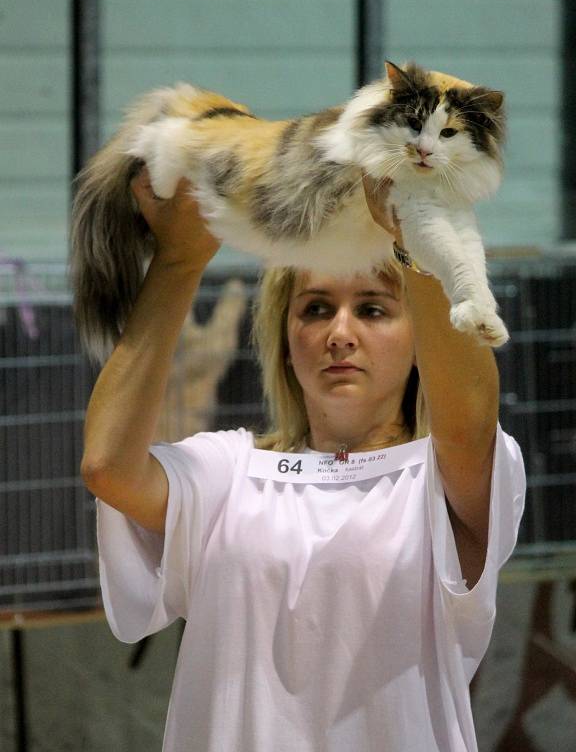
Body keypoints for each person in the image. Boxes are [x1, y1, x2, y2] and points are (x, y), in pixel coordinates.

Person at [82, 168, 526, 752]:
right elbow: (108, 466)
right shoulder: (228, 472)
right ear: (285, 338)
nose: (339, 333)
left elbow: (468, 424)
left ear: (421, 336)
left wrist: (416, 239)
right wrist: (178, 261)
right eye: (316, 309)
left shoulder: (442, 477)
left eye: (372, 309)